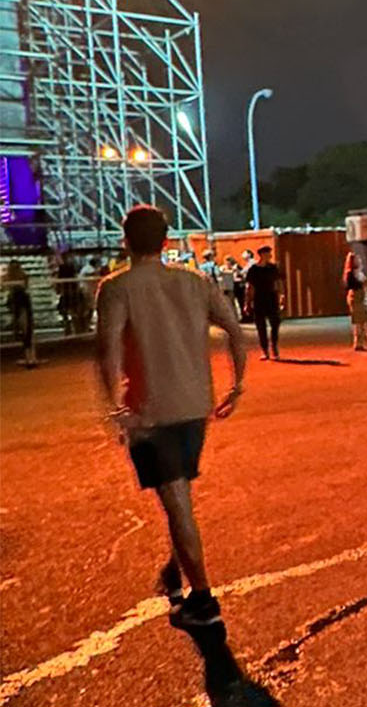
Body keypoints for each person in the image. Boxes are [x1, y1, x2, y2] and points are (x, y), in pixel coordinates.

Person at [94, 204, 246, 630]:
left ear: (125, 242)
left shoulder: (117, 288)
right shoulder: (194, 282)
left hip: (152, 413)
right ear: (166, 241)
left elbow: (108, 351)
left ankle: (203, 600)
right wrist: (237, 386)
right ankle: (176, 567)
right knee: (176, 496)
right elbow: (234, 329)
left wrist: (117, 408)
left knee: (177, 502)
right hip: (195, 408)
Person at [242, 246, 283, 360]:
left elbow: (278, 282)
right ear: (262, 254)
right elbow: (249, 287)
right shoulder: (253, 270)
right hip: (259, 299)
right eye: (268, 253)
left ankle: (274, 346)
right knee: (261, 326)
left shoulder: (273, 268)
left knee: (275, 323)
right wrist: (247, 302)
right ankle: (265, 350)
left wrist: (281, 296)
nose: (270, 255)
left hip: (272, 298)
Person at [343, 250, 367, 351]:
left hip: (364, 298)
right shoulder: (350, 273)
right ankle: (358, 343)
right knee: (359, 321)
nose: (358, 261)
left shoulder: (360, 272)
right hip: (356, 298)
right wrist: (364, 284)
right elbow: (350, 286)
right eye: (356, 260)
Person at [4, 261, 38, 367]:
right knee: (27, 331)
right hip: (21, 303)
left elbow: (6, 288)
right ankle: (30, 357)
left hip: (18, 304)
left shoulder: (10, 278)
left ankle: (30, 357)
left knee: (25, 331)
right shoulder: (21, 277)